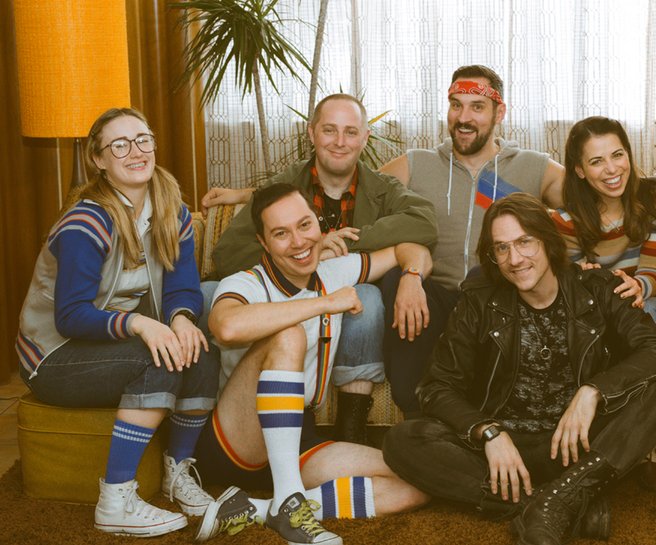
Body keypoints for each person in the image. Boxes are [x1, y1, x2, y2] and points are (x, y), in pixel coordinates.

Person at [383, 193, 656, 545]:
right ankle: (560, 503)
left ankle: (552, 498)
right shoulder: (479, 300)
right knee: (403, 440)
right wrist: (488, 432)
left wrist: (594, 391)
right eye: (502, 248)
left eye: (525, 242)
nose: (515, 259)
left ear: (548, 241)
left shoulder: (597, 289)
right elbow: (436, 387)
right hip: (504, 450)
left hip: (574, 445)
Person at [16, 108, 218, 536]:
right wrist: (141, 325)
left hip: (109, 343)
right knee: (156, 357)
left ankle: (177, 472)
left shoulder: (173, 210)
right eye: (119, 145)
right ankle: (115, 499)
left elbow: (183, 285)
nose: (136, 152)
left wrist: (183, 319)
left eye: (143, 139)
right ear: (99, 160)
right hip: (52, 357)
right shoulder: (85, 222)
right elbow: (70, 316)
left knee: (199, 347)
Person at [193, 183, 428, 544]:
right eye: (281, 234)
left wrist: (412, 278)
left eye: (305, 225)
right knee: (288, 336)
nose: (299, 242)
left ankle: (264, 508)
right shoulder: (245, 283)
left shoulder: (332, 273)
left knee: (413, 481)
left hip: (298, 436)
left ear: (319, 224)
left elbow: (407, 249)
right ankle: (290, 504)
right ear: (263, 242)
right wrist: (324, 304)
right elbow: (226, 325)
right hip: (237, 439)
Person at [202, 93, 438, 443]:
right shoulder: (282, 187)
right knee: (206, 296)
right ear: (311, 133)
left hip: (341, 299)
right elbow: (229, 254)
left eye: (350, 132)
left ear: (365, 138)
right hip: (278, 293)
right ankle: (202, 422)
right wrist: (308, 249)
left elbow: (424, 224)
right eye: (329, 130)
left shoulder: (382, 188)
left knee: (366, 297)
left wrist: (350, 243)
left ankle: (350, 429)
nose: (340, 142)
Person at [379, 64, 566, 415]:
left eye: (477, 107)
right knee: (395, 279)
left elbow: (595, 198)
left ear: (499, 113)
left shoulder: (533, 167)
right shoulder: (416, 165)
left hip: (495, 302)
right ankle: (416, 410)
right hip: (433, 297)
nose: (463, 118)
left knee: (484, 278)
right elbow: (356, 197)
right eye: (456, 105)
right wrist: (409, 271)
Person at [551, 116, 656, 329]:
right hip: (600, 308)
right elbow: (579, 290)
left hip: (649, 302)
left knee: (646, 311)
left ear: (628, 154)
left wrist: (636, 286)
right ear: (580, 170)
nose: (611, 169)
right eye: (596, 161)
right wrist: (588, 278)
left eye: (617, 155)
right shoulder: (566, 222)